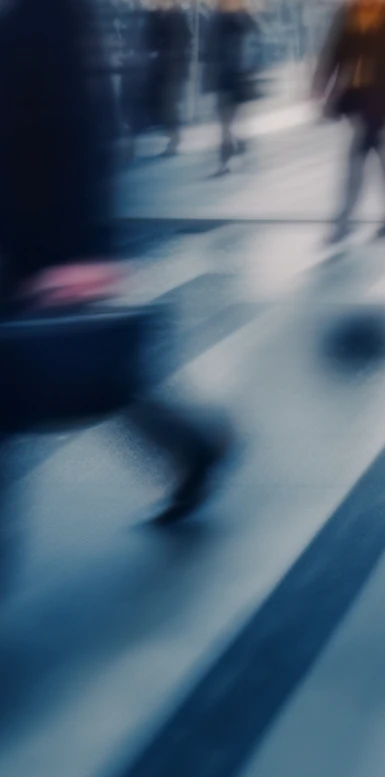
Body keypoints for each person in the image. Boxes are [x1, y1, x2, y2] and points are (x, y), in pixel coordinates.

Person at [1, 0, 231, 525]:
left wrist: (83, 249)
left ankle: (192, 441)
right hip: (26, 231)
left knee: (64, 371)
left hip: (41, 238)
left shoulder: (47, 14)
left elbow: (82, 127)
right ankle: (192, 441)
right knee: (87, 375)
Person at [315, 0, 385, 245]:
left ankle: (347, 218)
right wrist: (321, 84)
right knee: (384, 153)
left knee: (360, 154)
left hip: (383, 96)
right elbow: (333, 51)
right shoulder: (346, 15)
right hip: (357, 94)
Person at [203, 0, 260, 176]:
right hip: (223, 78)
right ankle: (227, 158)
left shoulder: (242, 18)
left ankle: (236, 149)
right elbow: (209, 49)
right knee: (225, 123)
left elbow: (255, 41)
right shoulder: (216, 18)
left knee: (233, 120)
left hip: (238, 77)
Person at [140, 0, 192, 157]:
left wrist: (166, 52)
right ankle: (170, 134)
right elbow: (147, 38)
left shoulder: (178, 16)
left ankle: (174, 139)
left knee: (169, 105)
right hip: (159, 69)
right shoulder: (153, 16)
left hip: (174, 70)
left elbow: (185, 40)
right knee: (161, 104)